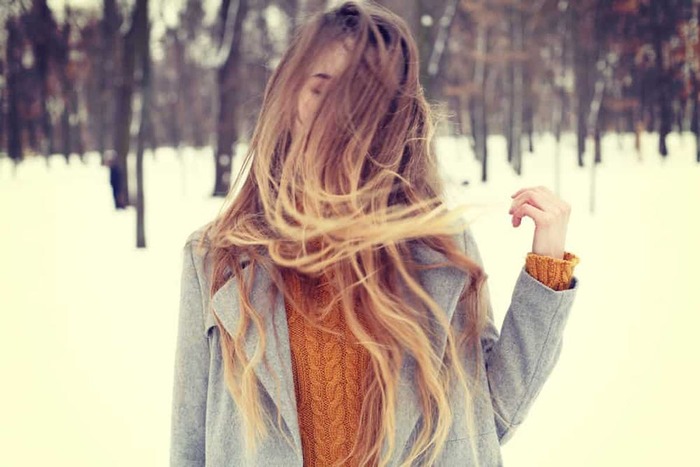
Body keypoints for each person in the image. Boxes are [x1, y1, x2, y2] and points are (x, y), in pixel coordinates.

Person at [170, 2, 580, 466]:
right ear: (290, 97)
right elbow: (189, 446)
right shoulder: (216, 258)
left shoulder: (439, 249)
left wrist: (547, 272)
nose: (335, 116)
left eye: (360, 96)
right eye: (320, 89)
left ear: (391, 115)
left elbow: (489, 418)